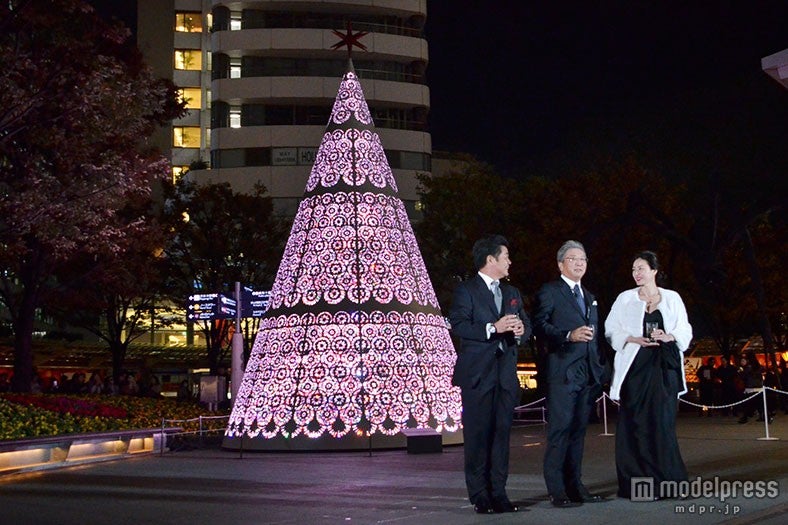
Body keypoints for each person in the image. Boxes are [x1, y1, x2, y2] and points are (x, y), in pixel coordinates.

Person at [449, 234, 530, 514]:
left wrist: (520, 331)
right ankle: (480, 495)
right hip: (477, 376)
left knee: (501, 437)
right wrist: (492, 328)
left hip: (505, 376)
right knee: (477, 436)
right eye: (506, 256)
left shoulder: (512, 293)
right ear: (490, 259)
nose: (510, 261)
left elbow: (526, 326)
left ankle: (500, 492)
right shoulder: (466, 290)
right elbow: (458, 324)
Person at [605, 251, 692, 499]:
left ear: (654, 270)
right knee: (636, 426)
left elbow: (685, 328)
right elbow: (611, 330)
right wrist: (631, 338)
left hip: (664, 369)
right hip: (636, 369)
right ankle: (639, 486)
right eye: (633, 269)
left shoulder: (672, 298)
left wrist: (670, 336)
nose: (636, 274)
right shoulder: (625, 299)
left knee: (663, 425)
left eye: (641, 268)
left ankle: (670, 483)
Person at [533, 240, 606, 507]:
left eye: (583, 259)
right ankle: (557, 489)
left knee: (578, 432)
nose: (579, 263)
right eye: (574, 258)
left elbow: (595, 337)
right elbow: (539, 325)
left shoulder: (589, 296)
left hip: (586, 375)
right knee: (560, 431)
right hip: (562, 372)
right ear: (561, 263)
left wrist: (598, 369)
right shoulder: (550, 292)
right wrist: (567, 335)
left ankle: (575, 485)